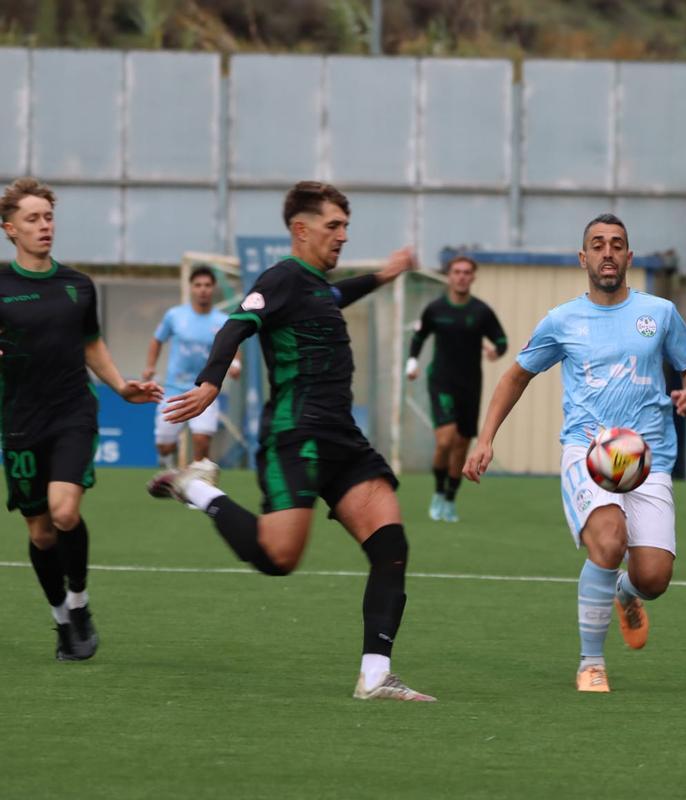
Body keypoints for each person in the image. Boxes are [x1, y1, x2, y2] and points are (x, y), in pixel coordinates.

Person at [147, 180, 434, 702]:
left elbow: (339, 292)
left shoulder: (317, 288)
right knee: (279, 557)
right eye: (333, 226)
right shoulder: (279, 279)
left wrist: (386, 274)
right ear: (300, 230)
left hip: (343, 439)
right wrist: (210, 383)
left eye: (346, 226)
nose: (343, 235)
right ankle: (197, 490)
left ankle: (375, 675)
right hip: (294, 435)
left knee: (391, 546)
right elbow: (235, 325)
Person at [464, 213, 686, 693]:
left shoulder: (658, 313)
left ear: (629, 257)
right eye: (598, 245)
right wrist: (486, 437)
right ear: (584, 258)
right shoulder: (562, 320)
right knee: (609, 540)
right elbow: (516, 375)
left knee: (654, 576)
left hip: (648, 458)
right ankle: (590, 663)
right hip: (589, 451)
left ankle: (627, 593)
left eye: (617, 244)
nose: (608, 252)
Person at [0, 178, 162, 661]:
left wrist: (120, 386)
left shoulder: (77, 285)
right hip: (19, 420)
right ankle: (60, 620)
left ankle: (79, 602)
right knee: (40, 532)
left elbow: (91, 344)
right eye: (32, 219)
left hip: (73, 411)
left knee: (65, 512)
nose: (44, 226)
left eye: (48, 217)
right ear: (9, 229)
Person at [406, 255, 507, 523]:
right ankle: (438, 493)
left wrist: (496, 350)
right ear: (449, 276)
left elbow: (502, 340)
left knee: (462, 444)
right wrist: (412, 363)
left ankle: (450, 499)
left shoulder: (481, 312)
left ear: (472, 277)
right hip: (440, 381)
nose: (461, 276)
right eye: (456, 272)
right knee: (445, 440)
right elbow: (419, 337)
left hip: (470, 386)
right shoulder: (435, 309)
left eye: (466, 272)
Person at [143, 265, 242, 468]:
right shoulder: (175, 316)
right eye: (198, 285)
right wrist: (150, 366)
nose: (203, 289)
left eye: (207, 285)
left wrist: (236, 363)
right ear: (191, 288)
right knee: (164, 446)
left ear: (213, 288)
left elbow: (233, 344)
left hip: (205, 389)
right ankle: (168, 461)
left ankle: (196, 485)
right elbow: (157, 340)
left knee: (202, 441)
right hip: (173, 390)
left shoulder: (222, 320)